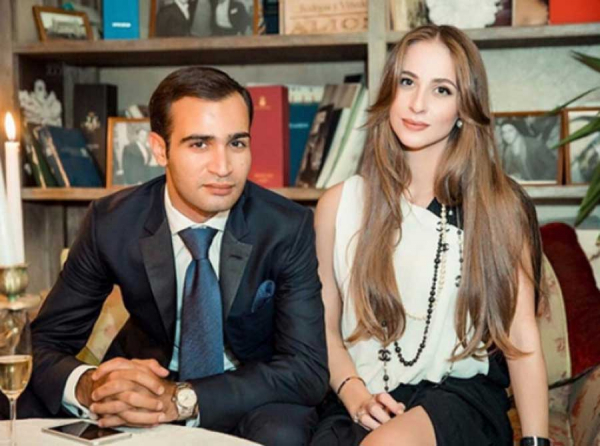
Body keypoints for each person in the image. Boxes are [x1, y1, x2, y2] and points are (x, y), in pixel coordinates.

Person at [29, 66, 328, 445]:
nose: (223, 167)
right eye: (199, 144)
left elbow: (307, 369)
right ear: (159, 149)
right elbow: (44, 343)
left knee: (283, 433)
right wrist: (91, 385)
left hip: (250, 393)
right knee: (22, 400)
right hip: (149, 383)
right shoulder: (113, 222)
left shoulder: (285, 226)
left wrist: (181, 399)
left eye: (237, 143)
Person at [310, 25, 549, 446]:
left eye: (441, 90)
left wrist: (536, 443)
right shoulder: (338, 206)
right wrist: (355, 394)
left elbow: (521, 337)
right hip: (359, 400)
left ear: (464, 107)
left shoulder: (497, 206)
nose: (417, 103)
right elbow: (323, 329)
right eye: (407, 82)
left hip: (460, 401)